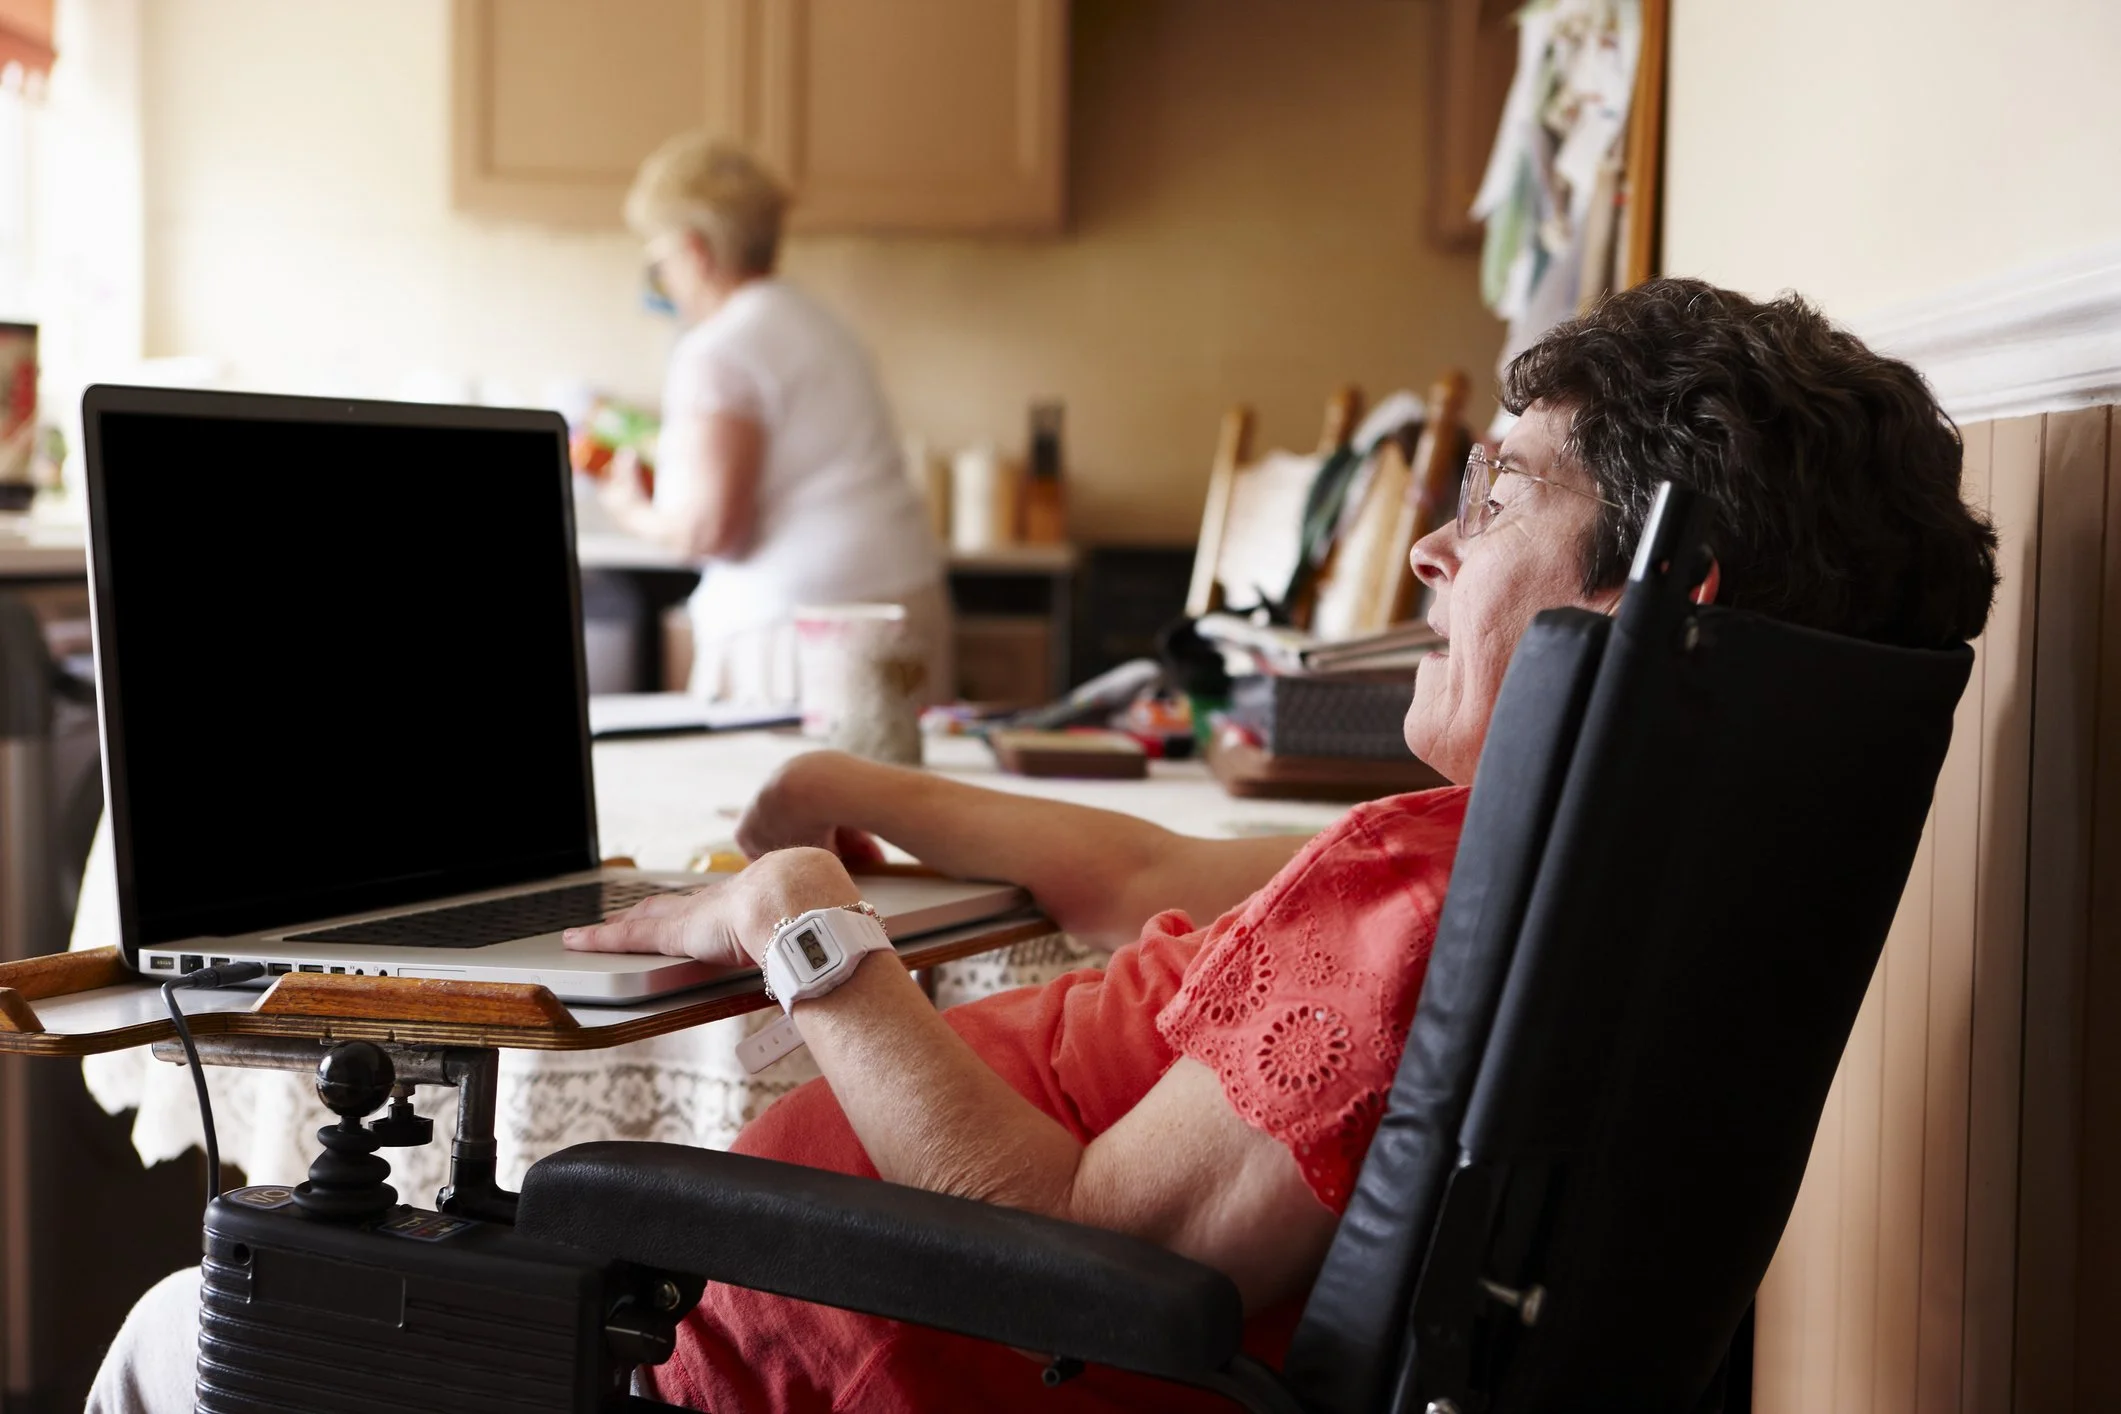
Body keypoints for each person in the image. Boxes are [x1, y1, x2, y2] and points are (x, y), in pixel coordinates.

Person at [85, 279, 1999, 1413]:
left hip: (796, 1361)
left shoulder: (1424, 918)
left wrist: (802, 920)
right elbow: (1156, 886)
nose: (1432, 542)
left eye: (1495, 493)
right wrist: (864, 792)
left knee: (189, 1325)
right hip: (846, 1330)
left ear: (1660, 597)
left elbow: (1084, 1243)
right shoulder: (1519, 863)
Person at [602, 133, 950, 705]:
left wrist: (633, 512)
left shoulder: (719, 348)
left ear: (695, 251)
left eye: (661, 261)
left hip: (803, 633)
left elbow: (713, 531)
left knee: (788, 769)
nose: (666, 281)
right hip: (904, 600)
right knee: (900, 765)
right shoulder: (818, 323)